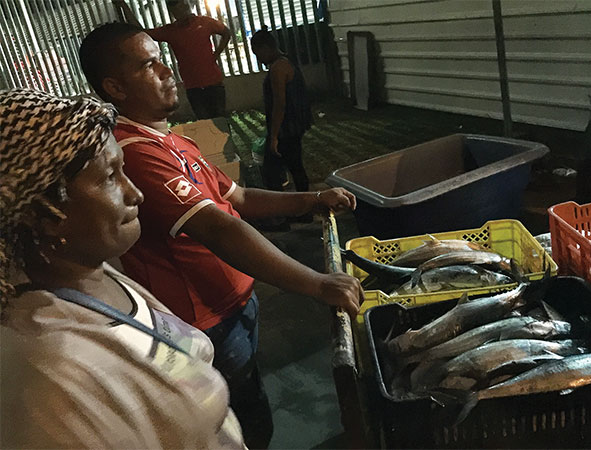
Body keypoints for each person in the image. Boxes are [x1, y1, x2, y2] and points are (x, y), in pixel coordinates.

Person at [79, 23, 363, 449]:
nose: (167, 69)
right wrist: (317, 283)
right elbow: (219, 227)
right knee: (240, 423)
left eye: (161, 58)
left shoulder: (173, 141)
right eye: (148, 64)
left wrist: (312, 198)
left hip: (236, 303)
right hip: (206, 323)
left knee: (251, 399)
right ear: (114, 87)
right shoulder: (135, 154)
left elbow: (240, 197)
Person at [0, 88, 245, 449]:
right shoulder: (57, 379)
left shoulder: (94, 275)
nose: (135, 194)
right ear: (43, 214)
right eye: (109, 178)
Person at [112, 0, 231, 119]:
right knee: (206, 124)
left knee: (220, 121)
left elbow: (226, 32)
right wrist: (124, 6)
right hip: (193, 87)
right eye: (173, 5)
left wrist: (216, 54)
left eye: (179, 4)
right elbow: (142, 32)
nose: (179, 8)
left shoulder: (205, 22)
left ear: (187, 5)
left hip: (213, 83)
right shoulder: (171, 31)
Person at [251, 26, 313, 212]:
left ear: (266, 48)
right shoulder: (287, 61)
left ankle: (281, 214)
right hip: (294, 126)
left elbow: (280, 104)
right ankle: (303, 211)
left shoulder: (279, 68)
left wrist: (274, 136)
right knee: (295, 167)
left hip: (287, 128)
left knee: (272, 172)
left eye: (258, 53)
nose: (259, 59)